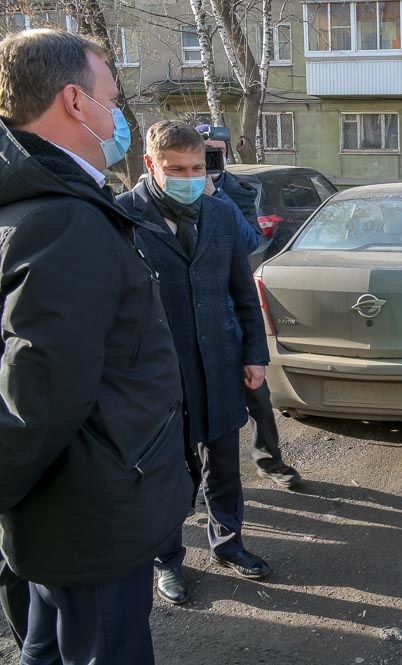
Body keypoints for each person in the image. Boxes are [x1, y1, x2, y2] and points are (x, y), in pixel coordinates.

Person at [0, 29, 192, 663]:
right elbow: (41, 395)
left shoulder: (44, 201)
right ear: (75, 102)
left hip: (68, 508)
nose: (120, 116)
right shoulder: (63, 217)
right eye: (112, 97)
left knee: (46, 649)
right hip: (90, 511)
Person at [117, 120, 272, 606]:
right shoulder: (121, 218)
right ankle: (167, 561)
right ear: (150, 166)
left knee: (223, 464)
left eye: (196, 167)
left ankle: (228, 543)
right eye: (176, 169)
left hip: (221, 362)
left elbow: (242, 291)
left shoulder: (220, 212)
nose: (188, 176)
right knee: (167, 474)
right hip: (158, 375)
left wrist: (254, 355)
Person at [196, 123, 302, 490]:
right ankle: (192, 474)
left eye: (214, 153)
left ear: (225, 154)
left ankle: (269, 460)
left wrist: (215, 198)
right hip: (193, 311)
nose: (208, 161)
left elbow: (248, 243)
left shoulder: (238, 192)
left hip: (232, 306)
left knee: (256, 391)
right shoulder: (171, 192)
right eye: (201, 151)